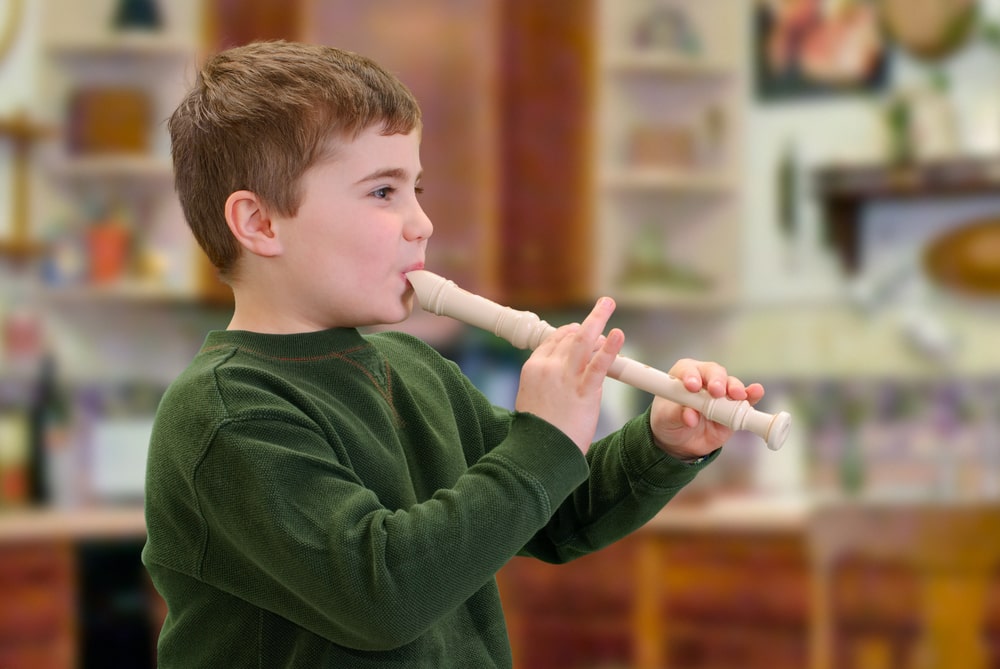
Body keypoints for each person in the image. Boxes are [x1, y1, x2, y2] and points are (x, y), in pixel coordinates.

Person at [142, 40, 765, 668]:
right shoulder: (225, 413)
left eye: (416, 188)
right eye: (383, 192)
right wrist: (544, 438)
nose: (423, 222)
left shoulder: (416, 372)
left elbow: (549, 511)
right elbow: (383, 595)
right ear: (260, 224)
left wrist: (661, 442)